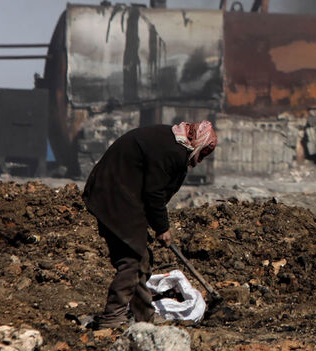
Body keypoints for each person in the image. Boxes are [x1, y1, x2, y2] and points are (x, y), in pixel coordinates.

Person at [83, 120, 217, 329]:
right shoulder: (173, 152)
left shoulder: (170, 141)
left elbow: (151, 187)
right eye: (203, 153)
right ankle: (112, 316)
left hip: (114, 194)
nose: (199, 160)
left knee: (142, 259)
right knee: (132, 261)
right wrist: (162, 227)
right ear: (198, 142)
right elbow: (154, 193)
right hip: (115, 197)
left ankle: (144, 318)